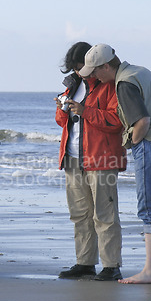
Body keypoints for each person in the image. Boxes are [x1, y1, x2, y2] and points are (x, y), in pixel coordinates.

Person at [79, 44, 151, 284]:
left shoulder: (124, 83)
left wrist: (133, 143)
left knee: (149, 209)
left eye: (95, 71)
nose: (94, 77)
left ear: (107, 66)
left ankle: (148, 272)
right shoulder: (141, 71)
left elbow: (142, 121)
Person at [54, 42, 126, 281]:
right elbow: (61, 122)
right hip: (73, 158)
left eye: (79, 67)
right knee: (80, 213)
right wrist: (63, 109)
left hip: (102, 158)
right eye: (73, 69)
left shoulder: (109, 86)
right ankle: (85, 262)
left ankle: (111, 265)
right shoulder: (72, 86)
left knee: (105, 214)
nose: (77, 72)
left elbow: (116, 121)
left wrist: (85, 111)